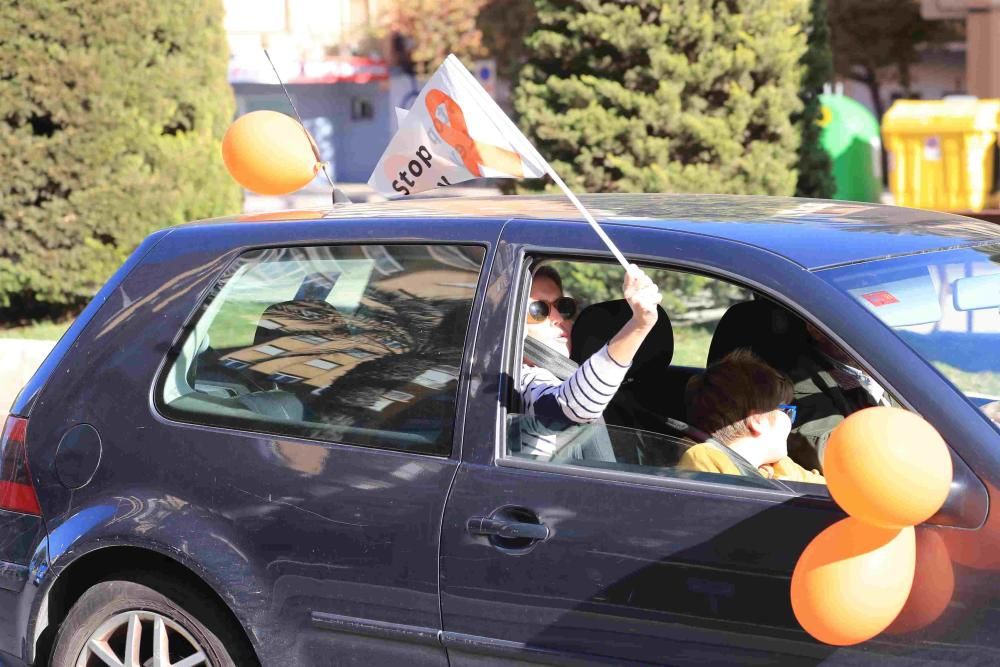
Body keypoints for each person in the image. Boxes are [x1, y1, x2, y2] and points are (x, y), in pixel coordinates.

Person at [517, 264, 661, 459]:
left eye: (562, 306)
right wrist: (638, 325)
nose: (558, 318)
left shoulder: (568, 374)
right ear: (514, 325)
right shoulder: (523, 380)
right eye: (538, 310)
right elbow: (571, 406)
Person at [679, 349, 825, 484]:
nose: (791, 421)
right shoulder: (704, 459)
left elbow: (828, 489)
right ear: (757, 420)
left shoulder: (780, 465)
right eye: (786, 411)